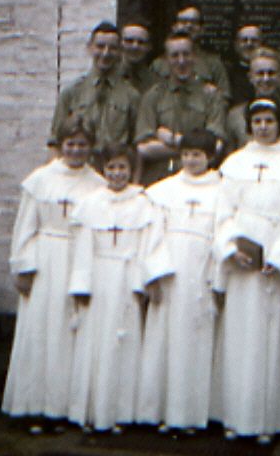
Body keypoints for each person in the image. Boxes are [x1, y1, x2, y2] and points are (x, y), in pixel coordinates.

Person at [2, 118, 105, 431]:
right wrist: (22, 265)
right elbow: (25, 227)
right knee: (41, 333)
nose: (76, 150)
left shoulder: (98, 183)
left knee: (71, 334)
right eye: (70, 144)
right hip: (46, 260)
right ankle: (34, 406)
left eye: (82, 144)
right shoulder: (40, 179)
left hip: (80, 260)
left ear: (91, 147)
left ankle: (63, 409)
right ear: (60, 146)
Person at [214, 98, 280, 444]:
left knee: (271, 338)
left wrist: (278, 257)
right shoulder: (234, 163)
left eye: (269, 120)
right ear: (249, 125)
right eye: (257, 121)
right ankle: (237, 417)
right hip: (242, 258)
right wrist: (230, 248)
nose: (263, 126)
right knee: (240, 338)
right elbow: (221, 212)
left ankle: (269, 419)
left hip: (271, 263)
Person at [67, 144, 163, 434]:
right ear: (104, 169)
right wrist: (82, 284)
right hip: (98, 276)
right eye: (111, 167)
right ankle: (92, 410)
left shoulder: (143, 204)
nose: (116, 173)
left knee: (124, 341)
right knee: (94, 343)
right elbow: (82, 247)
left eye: (122, 168)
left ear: (132, 171)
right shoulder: (91, 202)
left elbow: (148, 247)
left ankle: (120, 412)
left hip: (126, 277)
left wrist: (140, 283)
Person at [137, 129, 221, 434]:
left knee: (195, 343)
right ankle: (157, 411)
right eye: (186, 154)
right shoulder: (162, 191)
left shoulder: (222, 191)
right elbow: (153, 235)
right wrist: (155, 275)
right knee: (164, 341)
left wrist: (216, 277)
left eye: (198, 155)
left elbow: (222, 235)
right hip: (170, 274)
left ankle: (189, 415)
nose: (191, 160)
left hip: (200, 275)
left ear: (210, 157)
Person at [135, 31, 226, 185]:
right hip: (160, 179)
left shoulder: (210, 95)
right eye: (175, 56)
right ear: (166, 60)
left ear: (195, 57)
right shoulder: (153, 96)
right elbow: (144, 148)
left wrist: (173, 140)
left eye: (186, 54)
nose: (181, 61)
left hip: (200, 180)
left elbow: (216, 146)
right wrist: (197, 150)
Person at [48, 21, 140, 158]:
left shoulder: (131, 95)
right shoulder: (72, 93)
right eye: (100, 46)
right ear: (89, 48)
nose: (106, 53)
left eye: (113, 48)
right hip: (80, 171)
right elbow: (55, 143)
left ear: (120, 52)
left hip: (114, 172)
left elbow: (137, 147)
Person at [226, 47, 280, 156]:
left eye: (271, 73)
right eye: (260, 73)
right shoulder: (235, 116)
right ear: (250, 77)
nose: (266, 79)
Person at [150, 7, 231, 100]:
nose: (189, 25)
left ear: (202, 29)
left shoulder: (214, 64)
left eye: (194, 22)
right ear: (174, 27)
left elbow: (225, 99)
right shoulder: (158, 65)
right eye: (183, 21)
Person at [226, 24, 263, 106]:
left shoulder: (270, 72)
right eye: (244, 40)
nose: (249, 44)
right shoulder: (228, 73)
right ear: (236, 45)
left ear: (261, 44)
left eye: (254, 40)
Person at [119, 20, 157, 94]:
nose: (135, 47)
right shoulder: (107, 80)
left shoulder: (158, 85)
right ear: (119, 44)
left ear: (149, 47)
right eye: (129, 41)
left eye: (141, 42)